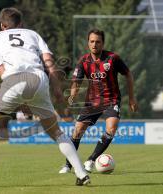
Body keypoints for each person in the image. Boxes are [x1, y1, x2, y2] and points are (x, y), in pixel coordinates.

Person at [0, 7, 90, 186]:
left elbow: (2, 71)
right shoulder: (32, 34)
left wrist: (18, 97)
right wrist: (57, 90)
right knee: (56, 131)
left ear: (2, 25)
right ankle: (82, 174)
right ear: (21, 24)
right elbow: (49, 63)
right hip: (39, 79)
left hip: (14, 79)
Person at [59, 29, 138, 173]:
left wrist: (132, 98)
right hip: (92, 101)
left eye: (98, 42)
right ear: (88, 43)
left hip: (111, 100)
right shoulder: (84, 61)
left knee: (111, 129)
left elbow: (128, 75)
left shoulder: (113, 58)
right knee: (77, 132)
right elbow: (76, 82)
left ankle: (91, 160)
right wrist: (73, 95)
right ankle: (68, 165)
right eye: (92, 41)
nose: (95, 44)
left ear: (103, 43)